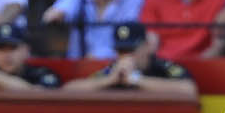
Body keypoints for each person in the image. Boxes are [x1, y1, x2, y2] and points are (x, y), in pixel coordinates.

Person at [63, 20, 197, 93]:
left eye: (132, 49)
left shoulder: (163, 67)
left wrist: (135, 80)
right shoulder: (115, 71)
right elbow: (68, 90)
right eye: (121, 50)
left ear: (147, 45)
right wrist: (108, 81)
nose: (126, 55)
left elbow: (188, 89)